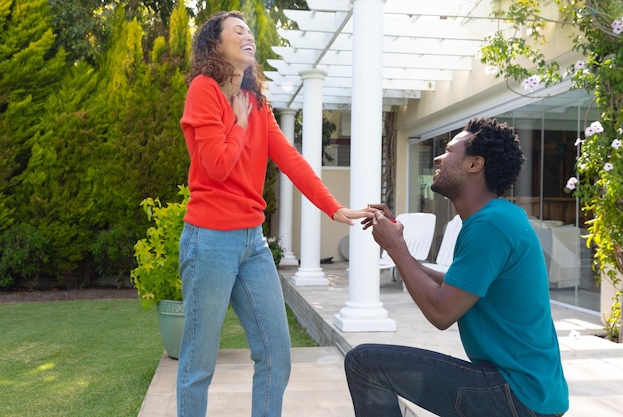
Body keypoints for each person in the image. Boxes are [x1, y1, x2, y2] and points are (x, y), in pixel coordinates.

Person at [176, 10, 370, 417]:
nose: (249, 36)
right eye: (238, 31)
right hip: (209, 237)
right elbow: (216, 167)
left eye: (249, 31)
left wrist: (332, 207)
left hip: (253, 243)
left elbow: (291, 160)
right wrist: (240, 125)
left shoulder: (256, 102)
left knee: (277, 354)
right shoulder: (204, 89)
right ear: (216, 44)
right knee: (198, 363)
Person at [345, 117, 569, 417]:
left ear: (474, 165)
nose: (438, 157)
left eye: (449, 150)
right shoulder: (496, 217)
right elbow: (455, 285)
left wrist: (396, 249)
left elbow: (442, 313)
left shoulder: (490, 225)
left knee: (366, 363)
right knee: (369, 362)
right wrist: (398, 244)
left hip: (517, 393)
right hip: (527, 391)